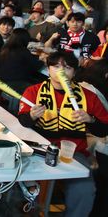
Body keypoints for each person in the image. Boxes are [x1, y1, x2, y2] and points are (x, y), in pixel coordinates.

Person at [18, 51, 108, 217]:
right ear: (48, 69)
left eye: (67, 67)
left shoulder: (88, 96)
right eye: (56, 66)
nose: (61, 71)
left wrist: (90, 119)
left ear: (74, 72)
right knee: (28, 187)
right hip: (39, 150)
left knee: (85, 189)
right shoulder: (34, 91)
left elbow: (103, 129)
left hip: (74, 153)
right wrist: (31, 116)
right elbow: (23, 121)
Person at [0, 28, 45, 93]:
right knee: (41, 87)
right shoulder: (22, 51)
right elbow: (36, 66)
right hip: (15, 83)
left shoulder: (5, 47)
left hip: (2, 80)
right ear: (25, 39)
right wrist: (42, 59)